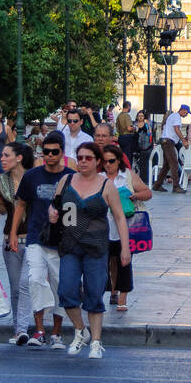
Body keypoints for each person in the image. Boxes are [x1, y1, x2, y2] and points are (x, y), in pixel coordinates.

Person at [49, 141, 129, 358]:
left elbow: (120, 217)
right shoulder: (66, 180)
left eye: (88, 158)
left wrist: (125, 248)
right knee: (66, 291)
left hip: (96, 247)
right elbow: (55, 204)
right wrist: (52, 213)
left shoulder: (106, 186)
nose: (83, 161)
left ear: (98, 162)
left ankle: (95, 341)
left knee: (94, 294)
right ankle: (79, 330)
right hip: (70, 245)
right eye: (80, 157)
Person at [9, 130, 72, 347]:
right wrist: (13, 233)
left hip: (61, 241)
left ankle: (56, 332)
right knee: (35, 280)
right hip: (35, 237)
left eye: (55, 152)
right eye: (46, 152)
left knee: (58, 285)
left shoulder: (71, 177)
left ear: (62, 152)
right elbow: (21, 205)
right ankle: (38, 330)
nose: (50, 156)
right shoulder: (32, 176)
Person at [101, 143, 149, 310]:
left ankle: (122, 298)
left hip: (125, 227)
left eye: (111, 161)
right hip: (103, 227)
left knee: (124, 262)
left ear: (119, 161)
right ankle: (107, 292)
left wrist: (133, 196)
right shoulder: (98, 176)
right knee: (103, 263)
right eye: (105, 161)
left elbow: (147, 193)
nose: (108, 165)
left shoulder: (127, 175)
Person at [0, 142, 35, 344]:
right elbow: (3, 211)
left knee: (26, 284)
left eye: (6, 155)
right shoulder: (1, 181)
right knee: (15, 287)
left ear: (19, 158)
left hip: (33, 238)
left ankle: (27, 328)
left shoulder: (34, 177)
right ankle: (19, 329)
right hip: (9, 239)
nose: (2, 158)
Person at [154, 105, 190, 192]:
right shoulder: (177, 116)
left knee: (166, 165)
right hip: (168, 142)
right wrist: (183, 140)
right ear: (182, 110)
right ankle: (176, 186)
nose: (186, 115)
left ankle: (157, 185)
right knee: (174, 163)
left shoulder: (173, 116)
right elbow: (176, 129)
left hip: (165, 141)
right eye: (186, 113)